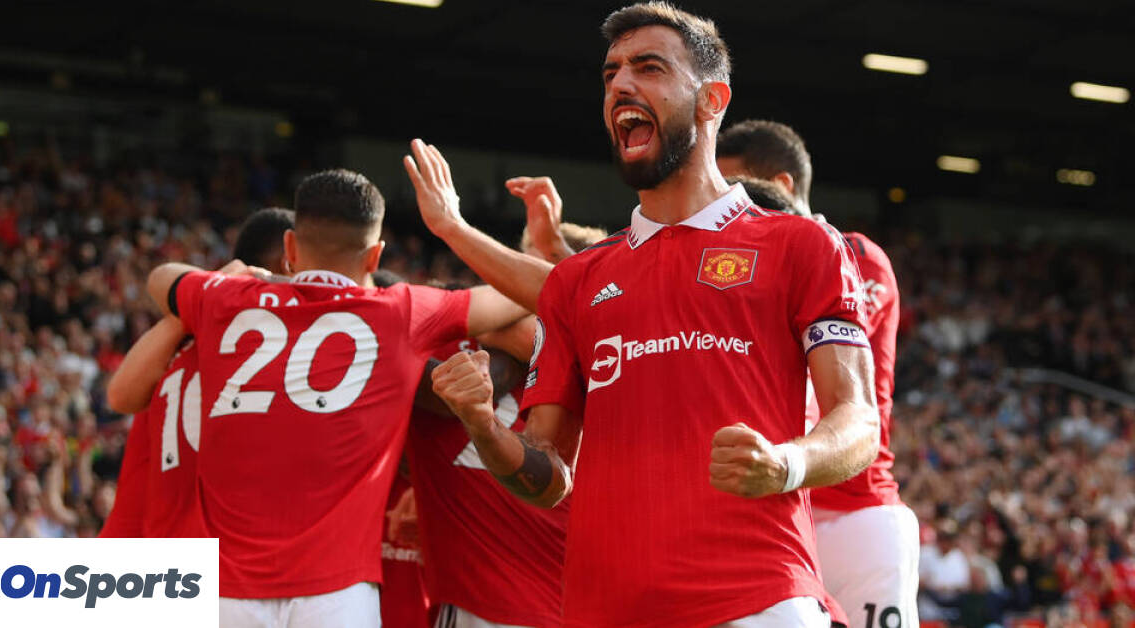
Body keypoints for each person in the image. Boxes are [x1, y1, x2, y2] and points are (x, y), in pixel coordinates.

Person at [409, 3, 880, 625]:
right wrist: (481, 425)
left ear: (712, 100)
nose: (621, 85)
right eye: (611, 74)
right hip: (603, 610)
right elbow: (548, 476)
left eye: (649, 67)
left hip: (757, 600)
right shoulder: (576, 281)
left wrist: (784, 463)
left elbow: (858, 420)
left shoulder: (802, 245)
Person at [144, 169, 529, 627]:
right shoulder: (401, 310)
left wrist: (238, 278)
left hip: (224, 593)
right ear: (375, 256)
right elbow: (527, 292)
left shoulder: (225, 297)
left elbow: (161, 277)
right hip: (336, 596)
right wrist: (454, 228)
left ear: (290, 248)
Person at [716, 119, 920, 628]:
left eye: (734, 191)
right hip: (777, 513)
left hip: (855, 513)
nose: (722, 207)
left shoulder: (856, 256)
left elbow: (817, 359)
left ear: (780, 186)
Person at [405, 218, 605, 628]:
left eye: (529, 276)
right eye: (512, 272)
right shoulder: (455, 349)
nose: (516, 289)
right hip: (488, 605)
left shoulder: (603, 363)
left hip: (562, 609)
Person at [100, 207, 295, 539]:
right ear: (289, 262)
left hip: (136, 544)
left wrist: (211, 288)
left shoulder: (184, 328)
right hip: (199, 551)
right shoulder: (280, 347)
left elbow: (118, 395)